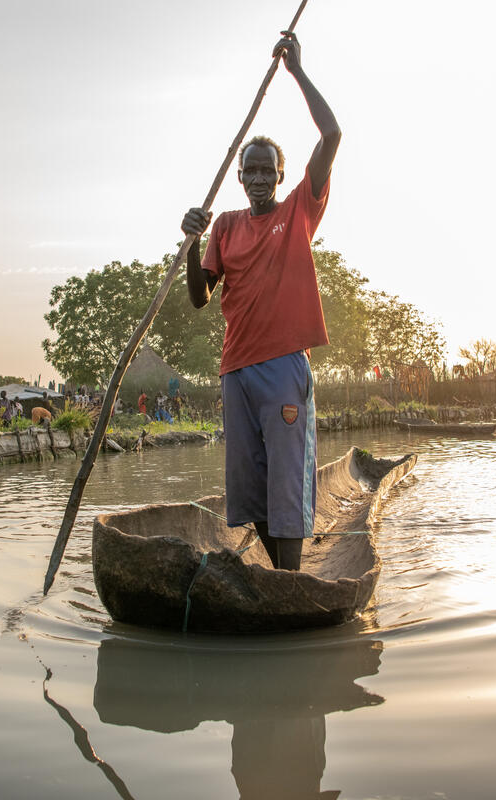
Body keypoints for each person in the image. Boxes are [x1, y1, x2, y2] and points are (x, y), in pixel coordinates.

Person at [181, 31, 339, 571]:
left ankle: (290, 582)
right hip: (236, 371)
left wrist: (296, 71)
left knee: (288, 477)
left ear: (281, 174)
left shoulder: (296, 213)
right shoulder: (224, 225)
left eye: (265, 170)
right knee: (249, 485)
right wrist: (192, 242)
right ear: (240, 175)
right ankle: (280, 575)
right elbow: (201, 299)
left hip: (282, 367)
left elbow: (333, 133)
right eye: (247, 171)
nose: (255, 179)